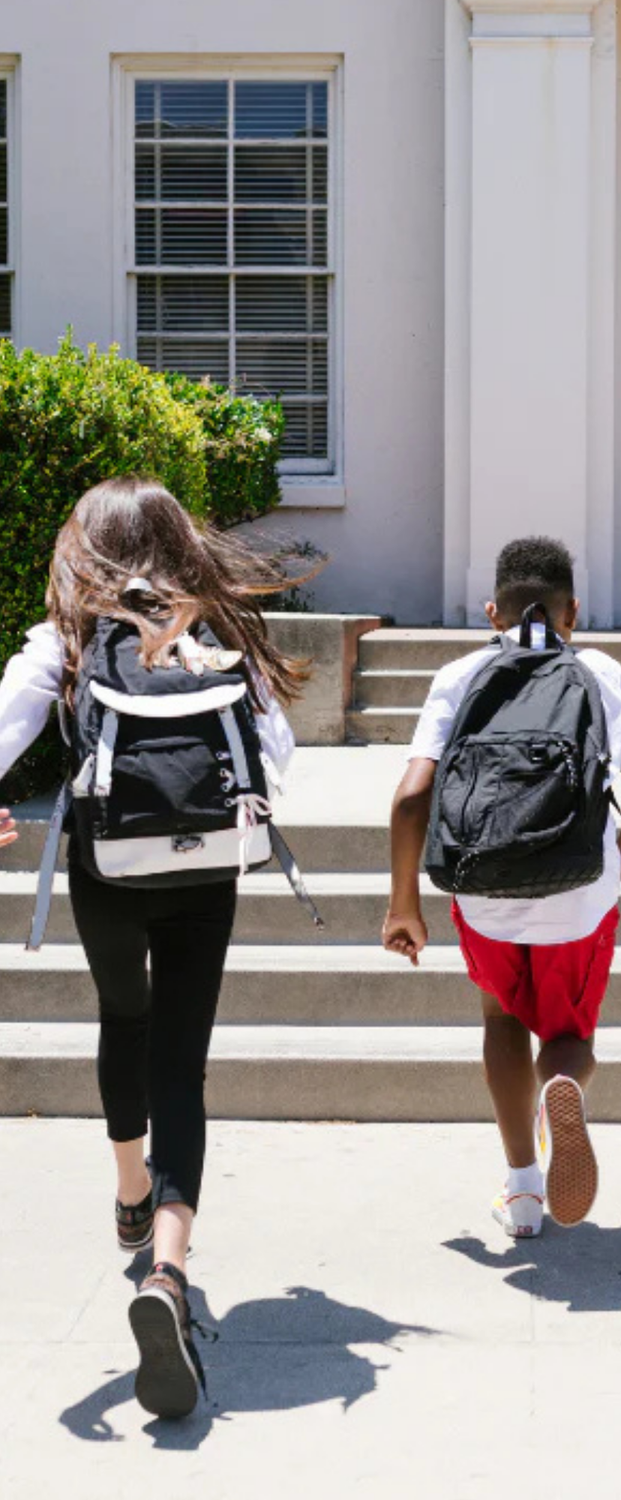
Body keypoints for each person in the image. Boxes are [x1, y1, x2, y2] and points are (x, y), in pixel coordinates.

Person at [0, 475, 303, 1417]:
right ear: (181, 543)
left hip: (109, 868)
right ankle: (167, 1271)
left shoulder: (68, 639)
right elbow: (279, 757)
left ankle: (130, 1182)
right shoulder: (218, 632)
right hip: (207, 868)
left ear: (83, 546)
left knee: (122, 1015)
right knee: (182, 1060)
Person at [383, 537, 621, 1238]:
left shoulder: (460, 673)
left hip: (484, 890)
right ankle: (563, 1085)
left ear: (492, 611)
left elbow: (410, 799)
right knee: (568, 1035)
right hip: (579, 895)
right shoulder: (598, 671)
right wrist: (618, 860)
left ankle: (521, 1190)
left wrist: (403, 907)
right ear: (573, 610)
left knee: (500, 1021)